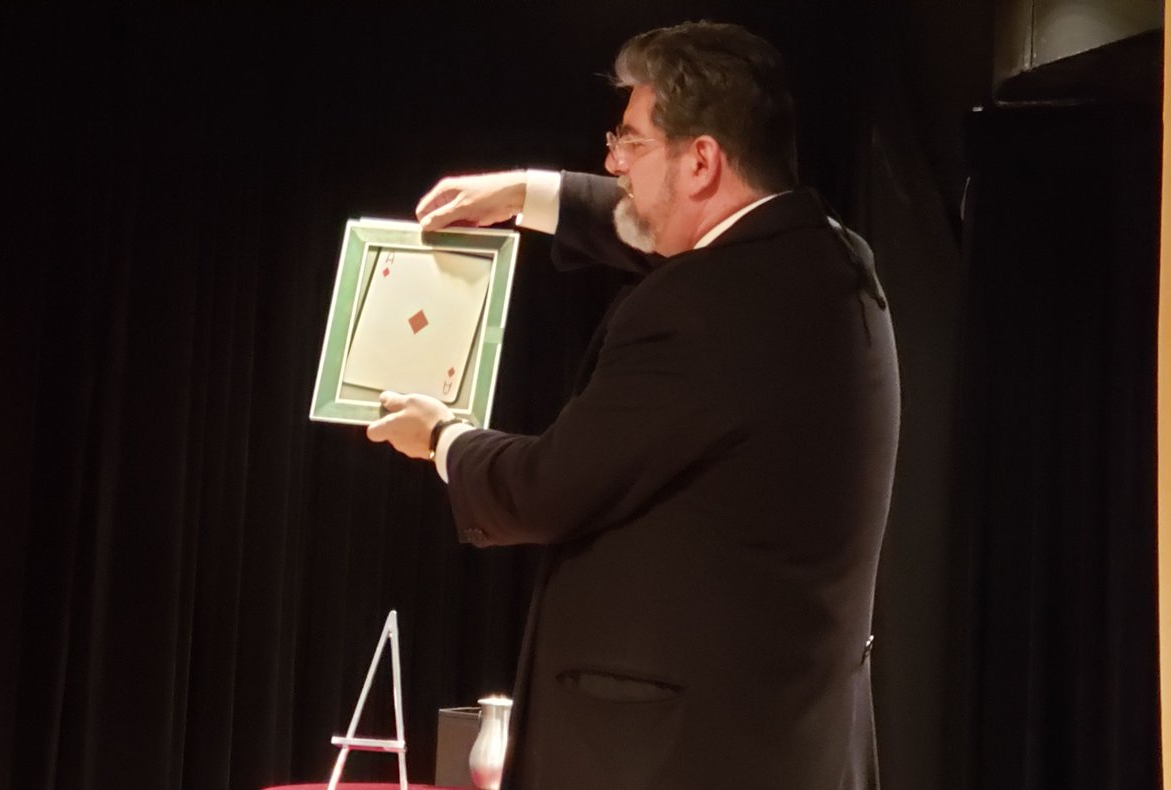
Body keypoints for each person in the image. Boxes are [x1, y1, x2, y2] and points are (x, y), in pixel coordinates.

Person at [365, 21, 899, 790]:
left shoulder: (699, 310)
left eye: (632, 143)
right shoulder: (829, 258)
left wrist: (443, 436)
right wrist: (529, 193)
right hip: (784, 734)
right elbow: (668, 235)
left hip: (673, 755)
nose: (614, 163)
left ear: (702, 160)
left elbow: (543, 490)